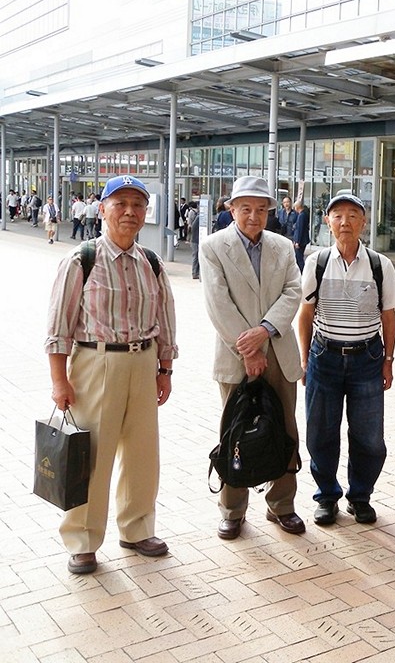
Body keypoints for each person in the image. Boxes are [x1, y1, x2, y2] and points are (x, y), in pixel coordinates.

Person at [45, 174, 177, 575]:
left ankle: (137, 529)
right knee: (92, 456)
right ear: (102, 209)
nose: (130, 212)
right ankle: (83, 540)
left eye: (138, 205)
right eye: (120, 204)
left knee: (142, 455)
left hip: (143, 362)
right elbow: (59, 326)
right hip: (95, 364)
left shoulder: (151, 263)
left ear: (146, 212)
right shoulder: (81, 259)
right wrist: (59, 380)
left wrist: (165, 368)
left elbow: (165, 319)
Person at [199, 176, 306, 541]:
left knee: (285, 429)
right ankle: (232, 510)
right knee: (235, 429)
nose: (253, 216)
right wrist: (249, 348)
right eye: (245, 208)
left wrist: (264, 331)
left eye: (261, 209)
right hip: (235, 356)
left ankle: (282, 505)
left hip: (279, 351)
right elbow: (218, 303)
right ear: (232, 209)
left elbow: (293, 290)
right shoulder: (214, 247)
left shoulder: (282, 246)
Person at [298, 193, 395, 526]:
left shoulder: (379, 265)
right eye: (338, 215)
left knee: (369, 437)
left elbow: (389, 316)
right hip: (324, 357)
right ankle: (327, 496)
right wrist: (304, 359)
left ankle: (360, 496)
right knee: (320, 433)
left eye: (353, 215)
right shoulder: (317, 262)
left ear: (364, 222)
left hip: (366, 360)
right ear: (328, 222)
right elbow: (305, 313)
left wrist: (388, 360)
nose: (345, 222)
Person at [291, 198, 311, 271]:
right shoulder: (303, 214)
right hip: (302, 240)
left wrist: (297, 242)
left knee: (299, 258)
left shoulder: (301, 216)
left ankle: (302, 271)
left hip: (301, 241)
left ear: (297, 207)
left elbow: (300, 229)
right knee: (299, 257)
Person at [187, 202, 201, 280]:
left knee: (197, 256)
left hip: (196, 239)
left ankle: (196, 272)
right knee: (196, 256)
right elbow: (193, 227)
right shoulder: (198, 217)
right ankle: (195, 273)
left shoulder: (198, 216)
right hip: (195, 239)